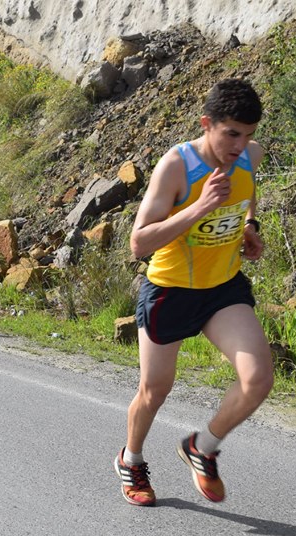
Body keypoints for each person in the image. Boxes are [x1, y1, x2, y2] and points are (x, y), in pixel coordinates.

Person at [114, 78, 274, 507]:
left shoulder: (248, 156)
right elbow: (139, 242)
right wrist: (200, 207)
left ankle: (201, 447)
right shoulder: (178, 167)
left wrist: (249, 227)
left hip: (222, 289)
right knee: (155, 390)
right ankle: (131, 459)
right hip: (170, 290)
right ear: (207, 124)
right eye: (231, 134)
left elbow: (247, 191)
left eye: (248, 134)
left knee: (258, 378)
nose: (240, 145)